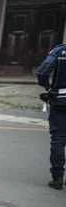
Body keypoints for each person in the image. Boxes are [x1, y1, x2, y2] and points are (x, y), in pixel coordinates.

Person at [36, 43, 66, 190]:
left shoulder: (60, 51)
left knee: (59, 139)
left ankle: (58, 178)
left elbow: (42, 72)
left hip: (61, 101)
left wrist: (48, 87)